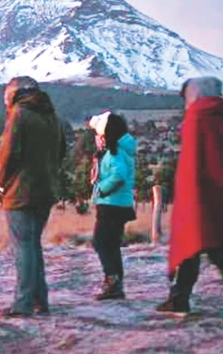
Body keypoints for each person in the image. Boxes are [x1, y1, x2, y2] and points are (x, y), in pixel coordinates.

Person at [156, 77, 223, 328]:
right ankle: (179, 299)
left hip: (201, 197)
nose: (186, 100)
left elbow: (194, 164)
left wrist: (190, 198)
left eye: (188, 95)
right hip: (219, 193)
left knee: (212, 248)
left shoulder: (198, 117)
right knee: (192, 245)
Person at [0, 76, 67, 317]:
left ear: (18, 93)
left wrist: (2, 182)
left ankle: (23, 303)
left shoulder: (19, 114)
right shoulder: (51, 116)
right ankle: (40, 300)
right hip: (45, 190)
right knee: (33, 245)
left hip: (20, 192)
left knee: (23, 247)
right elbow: (61, 152)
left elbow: (8, 153)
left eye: (7, 94)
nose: (5, 100)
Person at [88, 111, 137, 301]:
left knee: (101, 242)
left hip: (111, 205)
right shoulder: (121, 151)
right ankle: (116, 283)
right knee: (112, 244)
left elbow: (119, 175)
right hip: (121, 204)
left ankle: (112, 280)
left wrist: (101, 189)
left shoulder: (114, 153)